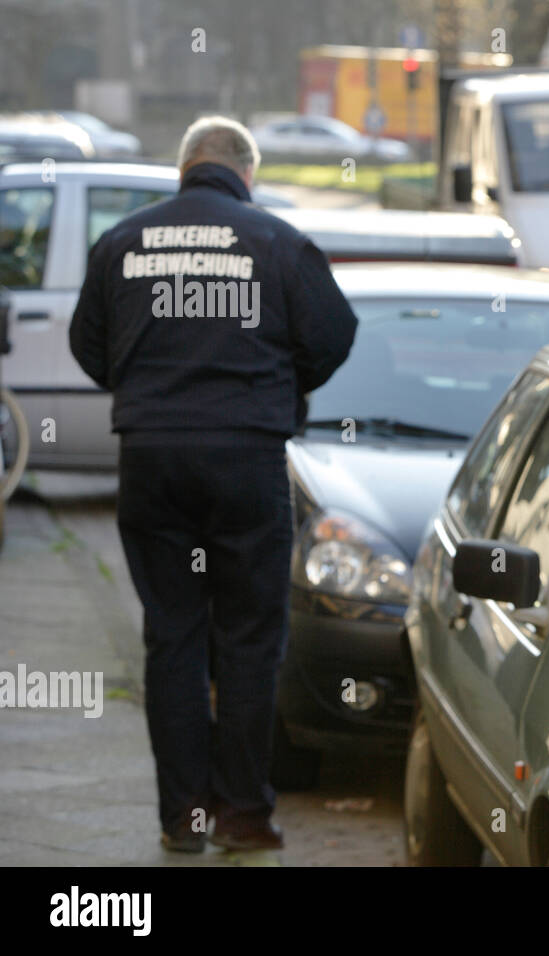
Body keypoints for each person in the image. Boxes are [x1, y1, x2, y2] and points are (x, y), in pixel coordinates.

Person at [69, 116, 357, 853]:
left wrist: (148, 393)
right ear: (247, 173)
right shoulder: (276, 242)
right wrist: (272, 386)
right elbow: (332, 335)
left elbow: (89, 346)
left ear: (183, 167)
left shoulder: (122, 242)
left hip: (153, 460)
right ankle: (243, 815)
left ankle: (182, 819)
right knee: (251, 641)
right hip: (245, 458)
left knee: (172, 638)